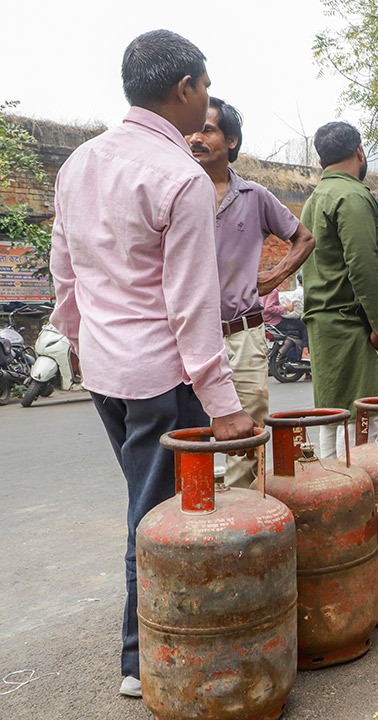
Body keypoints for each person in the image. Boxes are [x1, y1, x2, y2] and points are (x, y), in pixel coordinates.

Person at [48, 30, 255, 699]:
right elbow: (192, 311)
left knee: (154, 510)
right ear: (185, 89)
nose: (208, 105)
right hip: (163, 380)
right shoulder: (180, 179)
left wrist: (80, 345)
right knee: (157, 518)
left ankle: (178, 637)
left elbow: (65, 274)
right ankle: (144, 659)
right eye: (205, 86)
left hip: (106, 373)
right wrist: (224, 406)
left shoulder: (80, 162)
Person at [187, 97, 315, 487]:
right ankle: (196, 521)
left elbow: (303, 238)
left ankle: (242, 523)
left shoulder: (255, 196)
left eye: (207, 130)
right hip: (188, 336)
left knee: (245, 432)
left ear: (232, 141)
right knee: (191, 435)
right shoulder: (174, 191)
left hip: (242, 334)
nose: (195, 138)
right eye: (191, 130)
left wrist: (275, 276)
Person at [300, 122, 378, 456]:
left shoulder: (315, 199)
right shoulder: (352, 195)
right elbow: (363, 265)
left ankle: (339, 499)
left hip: (332, 328)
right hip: (356, 330)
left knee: (335, 423)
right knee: (364, 432)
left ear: (321, 161)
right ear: (360, 151)